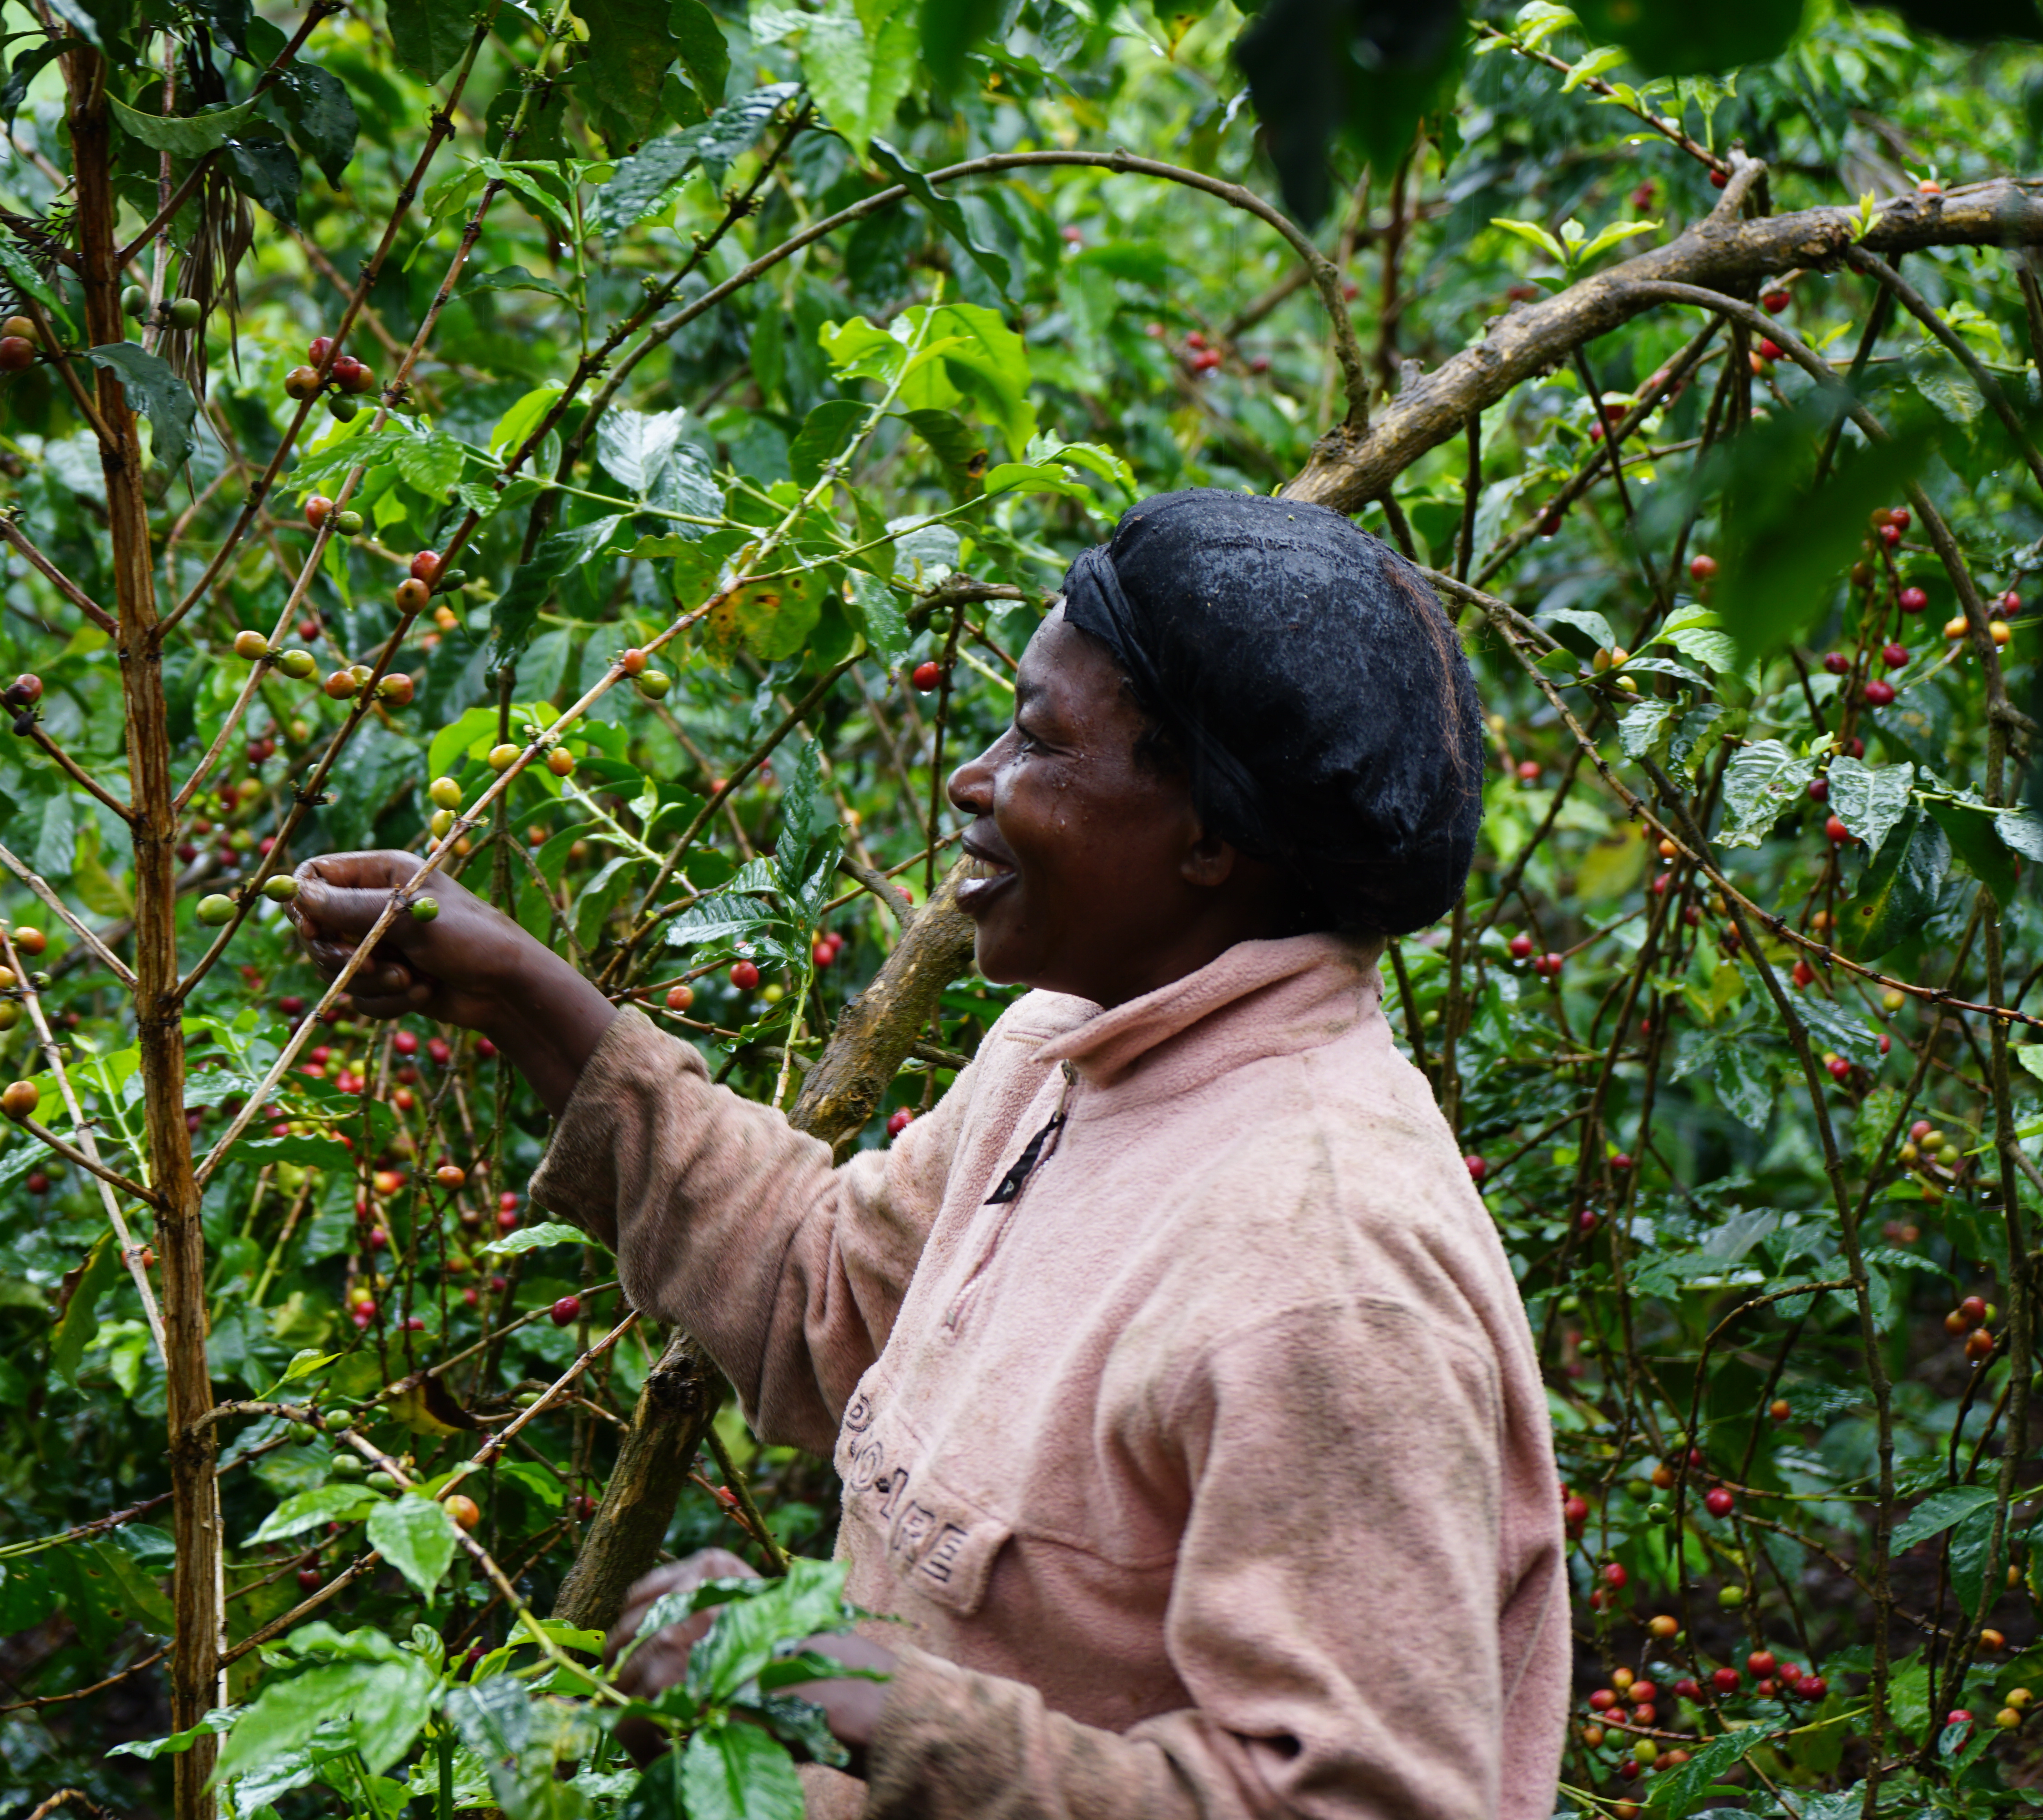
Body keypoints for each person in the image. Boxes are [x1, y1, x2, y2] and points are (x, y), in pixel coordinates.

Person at [290, 489, 1567, 1819]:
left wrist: (890, 1708)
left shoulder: (1327, 1276)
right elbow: (823, 1299)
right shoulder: (1061, 1052)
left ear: (1208, 844)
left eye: (1038, 739)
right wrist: (523, 998)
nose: (974, 781)